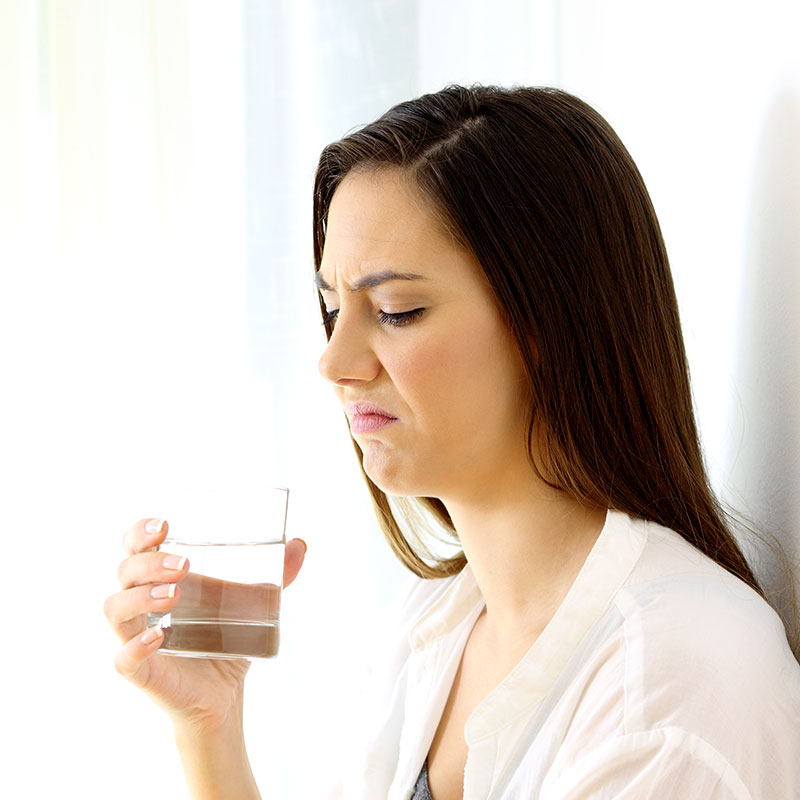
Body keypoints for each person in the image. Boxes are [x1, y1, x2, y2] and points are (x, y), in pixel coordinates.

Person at [104, 85, 800, 799]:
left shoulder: (672, 686)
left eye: (397, 311)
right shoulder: (432, 628)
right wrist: (209, 725)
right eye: (334, 309)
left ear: (546, 324)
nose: (334, 363)